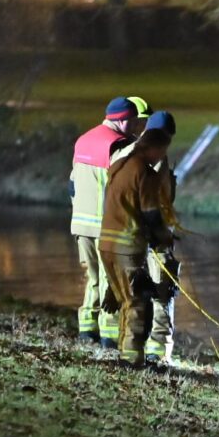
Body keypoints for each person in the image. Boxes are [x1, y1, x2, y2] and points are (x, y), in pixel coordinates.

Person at [69, 96, 151, 347]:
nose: (137, 127)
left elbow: (72, 183)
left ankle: (86, 330)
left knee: (93, 279)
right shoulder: (119, 145)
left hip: (81, 224)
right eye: (135, 122)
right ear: (124, 120)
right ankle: (110, 336)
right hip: (107, 227)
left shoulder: (83, 140)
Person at [98, 128, 174, 368]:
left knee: (125, 301)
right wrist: (162, 237)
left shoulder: (119, 165)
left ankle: (125, 353)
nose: (161, 156)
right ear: (155, 148)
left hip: (106, 243)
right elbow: (150, 212)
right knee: (137, 302)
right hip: (127, 244)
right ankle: (132, 361)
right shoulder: (144, 172)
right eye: (162, 150)